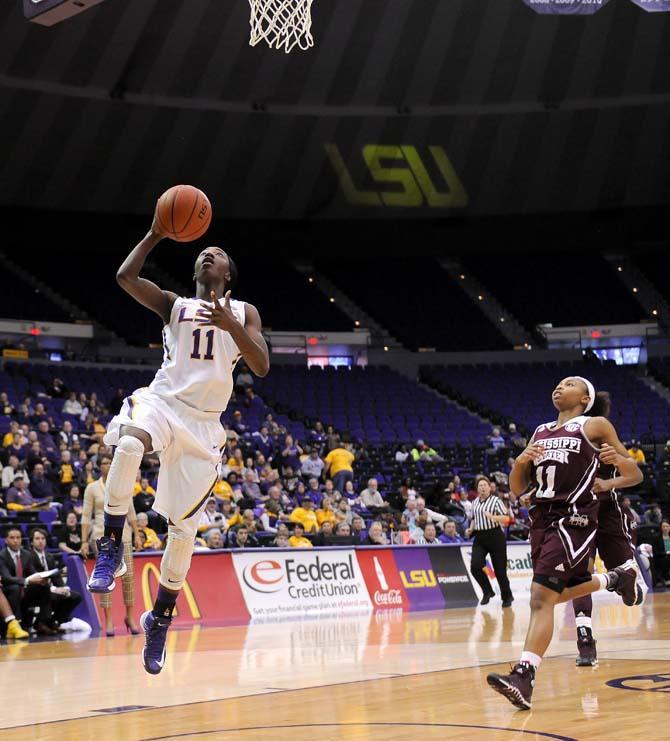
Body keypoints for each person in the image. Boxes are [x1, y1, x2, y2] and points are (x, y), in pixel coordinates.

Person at [86, 225, 269, 674]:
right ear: (195, 269)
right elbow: (126, 278)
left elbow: (262, 365)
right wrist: (153, 232)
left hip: (204, 427)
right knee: (129, 443)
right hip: (163, 403)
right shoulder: (175, 305)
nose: (209, 253)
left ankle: (160, 619)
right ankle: (111, 545)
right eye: (203, 251)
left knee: (183, 533)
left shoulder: (244, 311)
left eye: (218, 252)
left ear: (228, 275)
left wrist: (231, 326)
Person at [487, 377, 643, 711]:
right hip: (540, 520)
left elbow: (634, 472)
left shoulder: (594, 424)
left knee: (541, 598)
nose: (559, 387)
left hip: (573, 518)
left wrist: (611, 473)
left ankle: (524, 675)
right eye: (557, 384)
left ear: (585, 397)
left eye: (569, 384)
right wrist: (520, 461)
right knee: (543, 599)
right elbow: (517, 488)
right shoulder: (541, 430)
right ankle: (615, 578)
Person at [569, 392, 644, 668]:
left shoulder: (602, 435)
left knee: (631, 593)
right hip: (579, 516)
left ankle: (626, 583)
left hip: (610, 513)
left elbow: (635, 473)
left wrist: (609, 480)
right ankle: (585, 640)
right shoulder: (563, 439)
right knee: (579, 577)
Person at [81, 454, 143, 637]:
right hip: (101, 537)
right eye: (104, 463)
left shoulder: (123, 485)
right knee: (105, 579)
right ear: (99, 466)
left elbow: (131, 511)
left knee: (129, 578)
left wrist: (137, 533)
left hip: (124, 536)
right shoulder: (92, 488)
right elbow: (86, 516)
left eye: (110, 462)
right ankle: (108, 619)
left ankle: (130, 616)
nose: (108, 465)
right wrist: (84, 540)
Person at [465, 476, 514, 607]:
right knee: (475, 566)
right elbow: (474, 518)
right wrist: (470, 529)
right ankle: (487, 591)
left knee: (500, 571)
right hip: (480, 537)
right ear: (477, 489)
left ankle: (507, 597)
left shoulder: (496, 501)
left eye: (485, 485)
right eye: (480, 485)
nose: (482, 487)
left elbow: (507, 519)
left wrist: (492, 517)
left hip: (496, 536)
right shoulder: (474, 502)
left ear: (489, 487)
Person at [29, 528, 82, 631]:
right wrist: (53, 589)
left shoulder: (49, 556)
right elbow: (34, 577)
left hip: (50, 588)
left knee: (75, 596)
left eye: (43, 538)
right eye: (37, 538)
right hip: (35, 590)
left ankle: (55, 620)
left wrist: (63, 588)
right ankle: (40, 622)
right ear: (32, 542)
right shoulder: (28, 556)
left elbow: (56, 575)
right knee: (50, 594)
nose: (40, 541)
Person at [651, 520, 670, 586]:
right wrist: (666, 553)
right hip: (661, 557)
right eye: (663, 526)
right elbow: (655, 552)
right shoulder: (656, 537)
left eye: (667, 526)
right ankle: (666, 579)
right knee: (666, 559)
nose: (665, 528)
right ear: (661, 528)